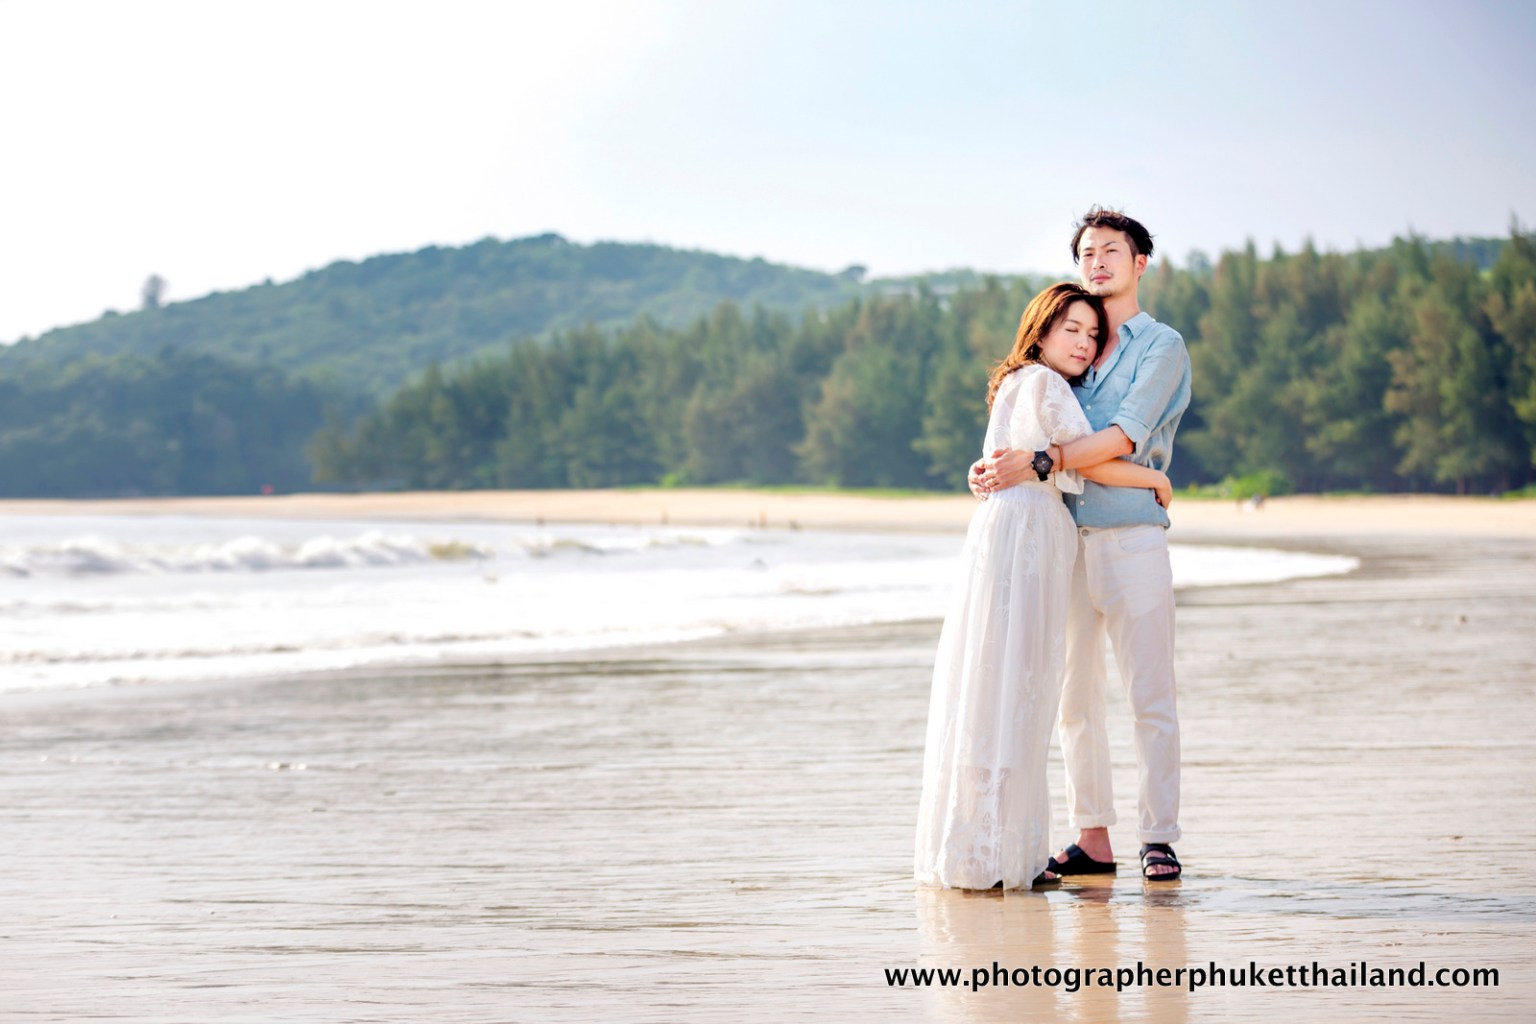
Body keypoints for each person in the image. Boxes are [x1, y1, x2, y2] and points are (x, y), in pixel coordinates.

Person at [915, 282, 1172, 891]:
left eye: (1091, 334)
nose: (1083, 344)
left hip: (1003, 534)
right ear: (1040, 331)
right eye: (1071, 331)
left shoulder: (1014, 383)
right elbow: (1085, 460)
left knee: (994, 682)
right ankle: (1005, 854)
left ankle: (983, 845)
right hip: (1028, 537)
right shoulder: (1048, 385)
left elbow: (1020, 458)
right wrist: (1153, 481)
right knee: (1024, 688)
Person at [970, 207, 1191, 882]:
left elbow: (1123, 436)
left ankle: (1158, 836)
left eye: (1111, 251)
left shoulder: (1161, 347)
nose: (1097, 263)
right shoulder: (1077, 344)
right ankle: (1092, 838)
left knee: (1150, 693)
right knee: (1074, 698)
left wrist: (1041, 461)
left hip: (1131, 536)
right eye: (1087, 253)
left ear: (1140, 262)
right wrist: (997, 463)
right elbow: (1027, 417)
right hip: (1065, 539)